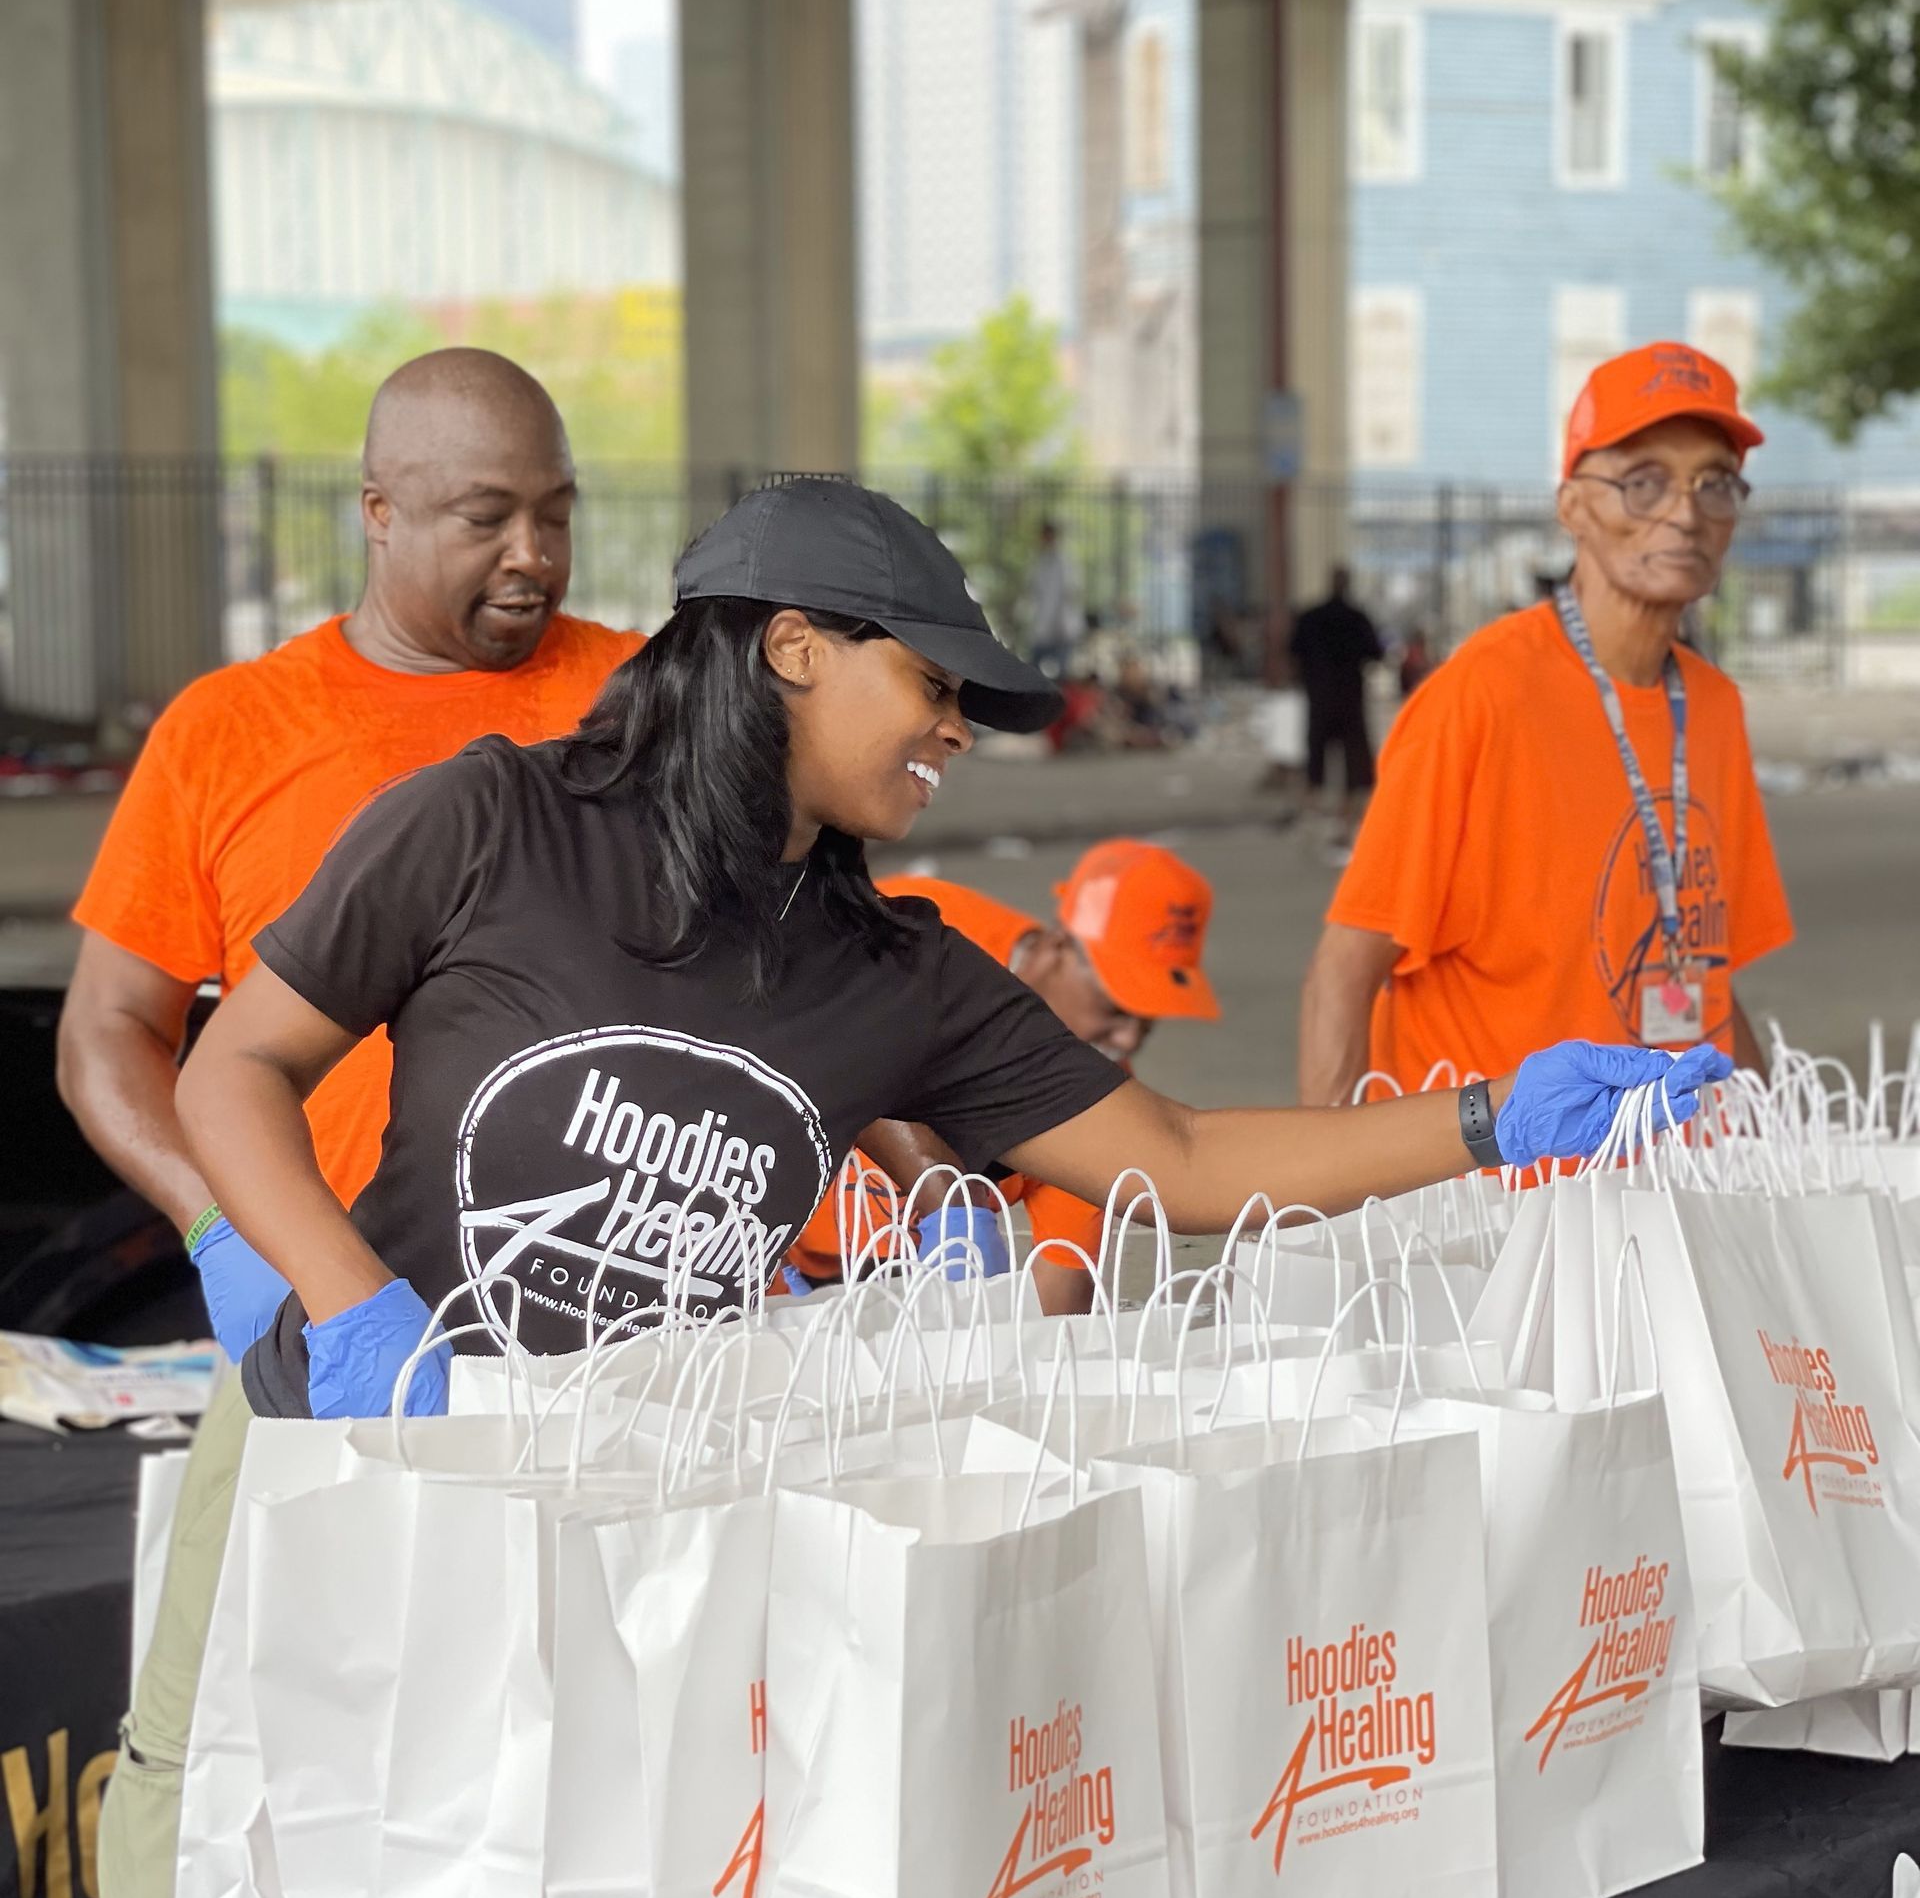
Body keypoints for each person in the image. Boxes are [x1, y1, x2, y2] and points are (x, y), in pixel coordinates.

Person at [173, 474, 1714, 1440]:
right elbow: (235, 1063)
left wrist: (1491, 1117)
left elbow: (1175, 1159)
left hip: (639, 1484)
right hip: (374, 1446)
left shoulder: (889, 970)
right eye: (932, 683)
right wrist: (341, 1296)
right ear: (791, 648)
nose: (958, 732)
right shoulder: (492, 821)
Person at [71, 347, 645, 1898]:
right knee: (211, 1730)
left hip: (585, 1335)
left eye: (555, 514)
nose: (532, 555)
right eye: (482, 518)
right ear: (377, 515)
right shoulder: (232, 732)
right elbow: (107, 1035)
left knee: (583, 1733)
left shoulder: (641, 701)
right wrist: (227, 1236)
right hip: (328, 1328)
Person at [1298, 341, 1795, 1107]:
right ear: (1573, 508)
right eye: (1644, 482)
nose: (1686, 513)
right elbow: (1346, 969)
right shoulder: (1481, 693)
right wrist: (1332, 1200)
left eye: (1715, 483)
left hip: (1666, 1182)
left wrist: (1779, 1145)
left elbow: (1707, 977)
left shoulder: (1714, 707)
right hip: (1504, 1193)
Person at [783, 841, 1221, 1314]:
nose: (1128, 1039)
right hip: (744, 1244)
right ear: (1058, 948)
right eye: (1115, 1009)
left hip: (907, 1300)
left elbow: (1059, 1305)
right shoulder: (915, 927)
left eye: (1148, 1021)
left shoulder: (1091, 1113)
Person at [1289, 565, 1384, 841]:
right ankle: (1348, 808)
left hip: (1319, 696)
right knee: (1353, 755)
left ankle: (1314, 804)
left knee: (1317, 750)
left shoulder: (1311, 617)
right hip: (1350, 698)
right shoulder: (1357, 618)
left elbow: (1293, 651)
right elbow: (1375, 653)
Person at [1028, 518, 1080, 678]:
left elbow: (1069, 593)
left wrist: (1060, 624)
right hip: (1043, 626)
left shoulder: (1064, 562)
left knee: (1061, 674)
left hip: (1062, 628)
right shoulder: (1040, 561)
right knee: (1035, 670)